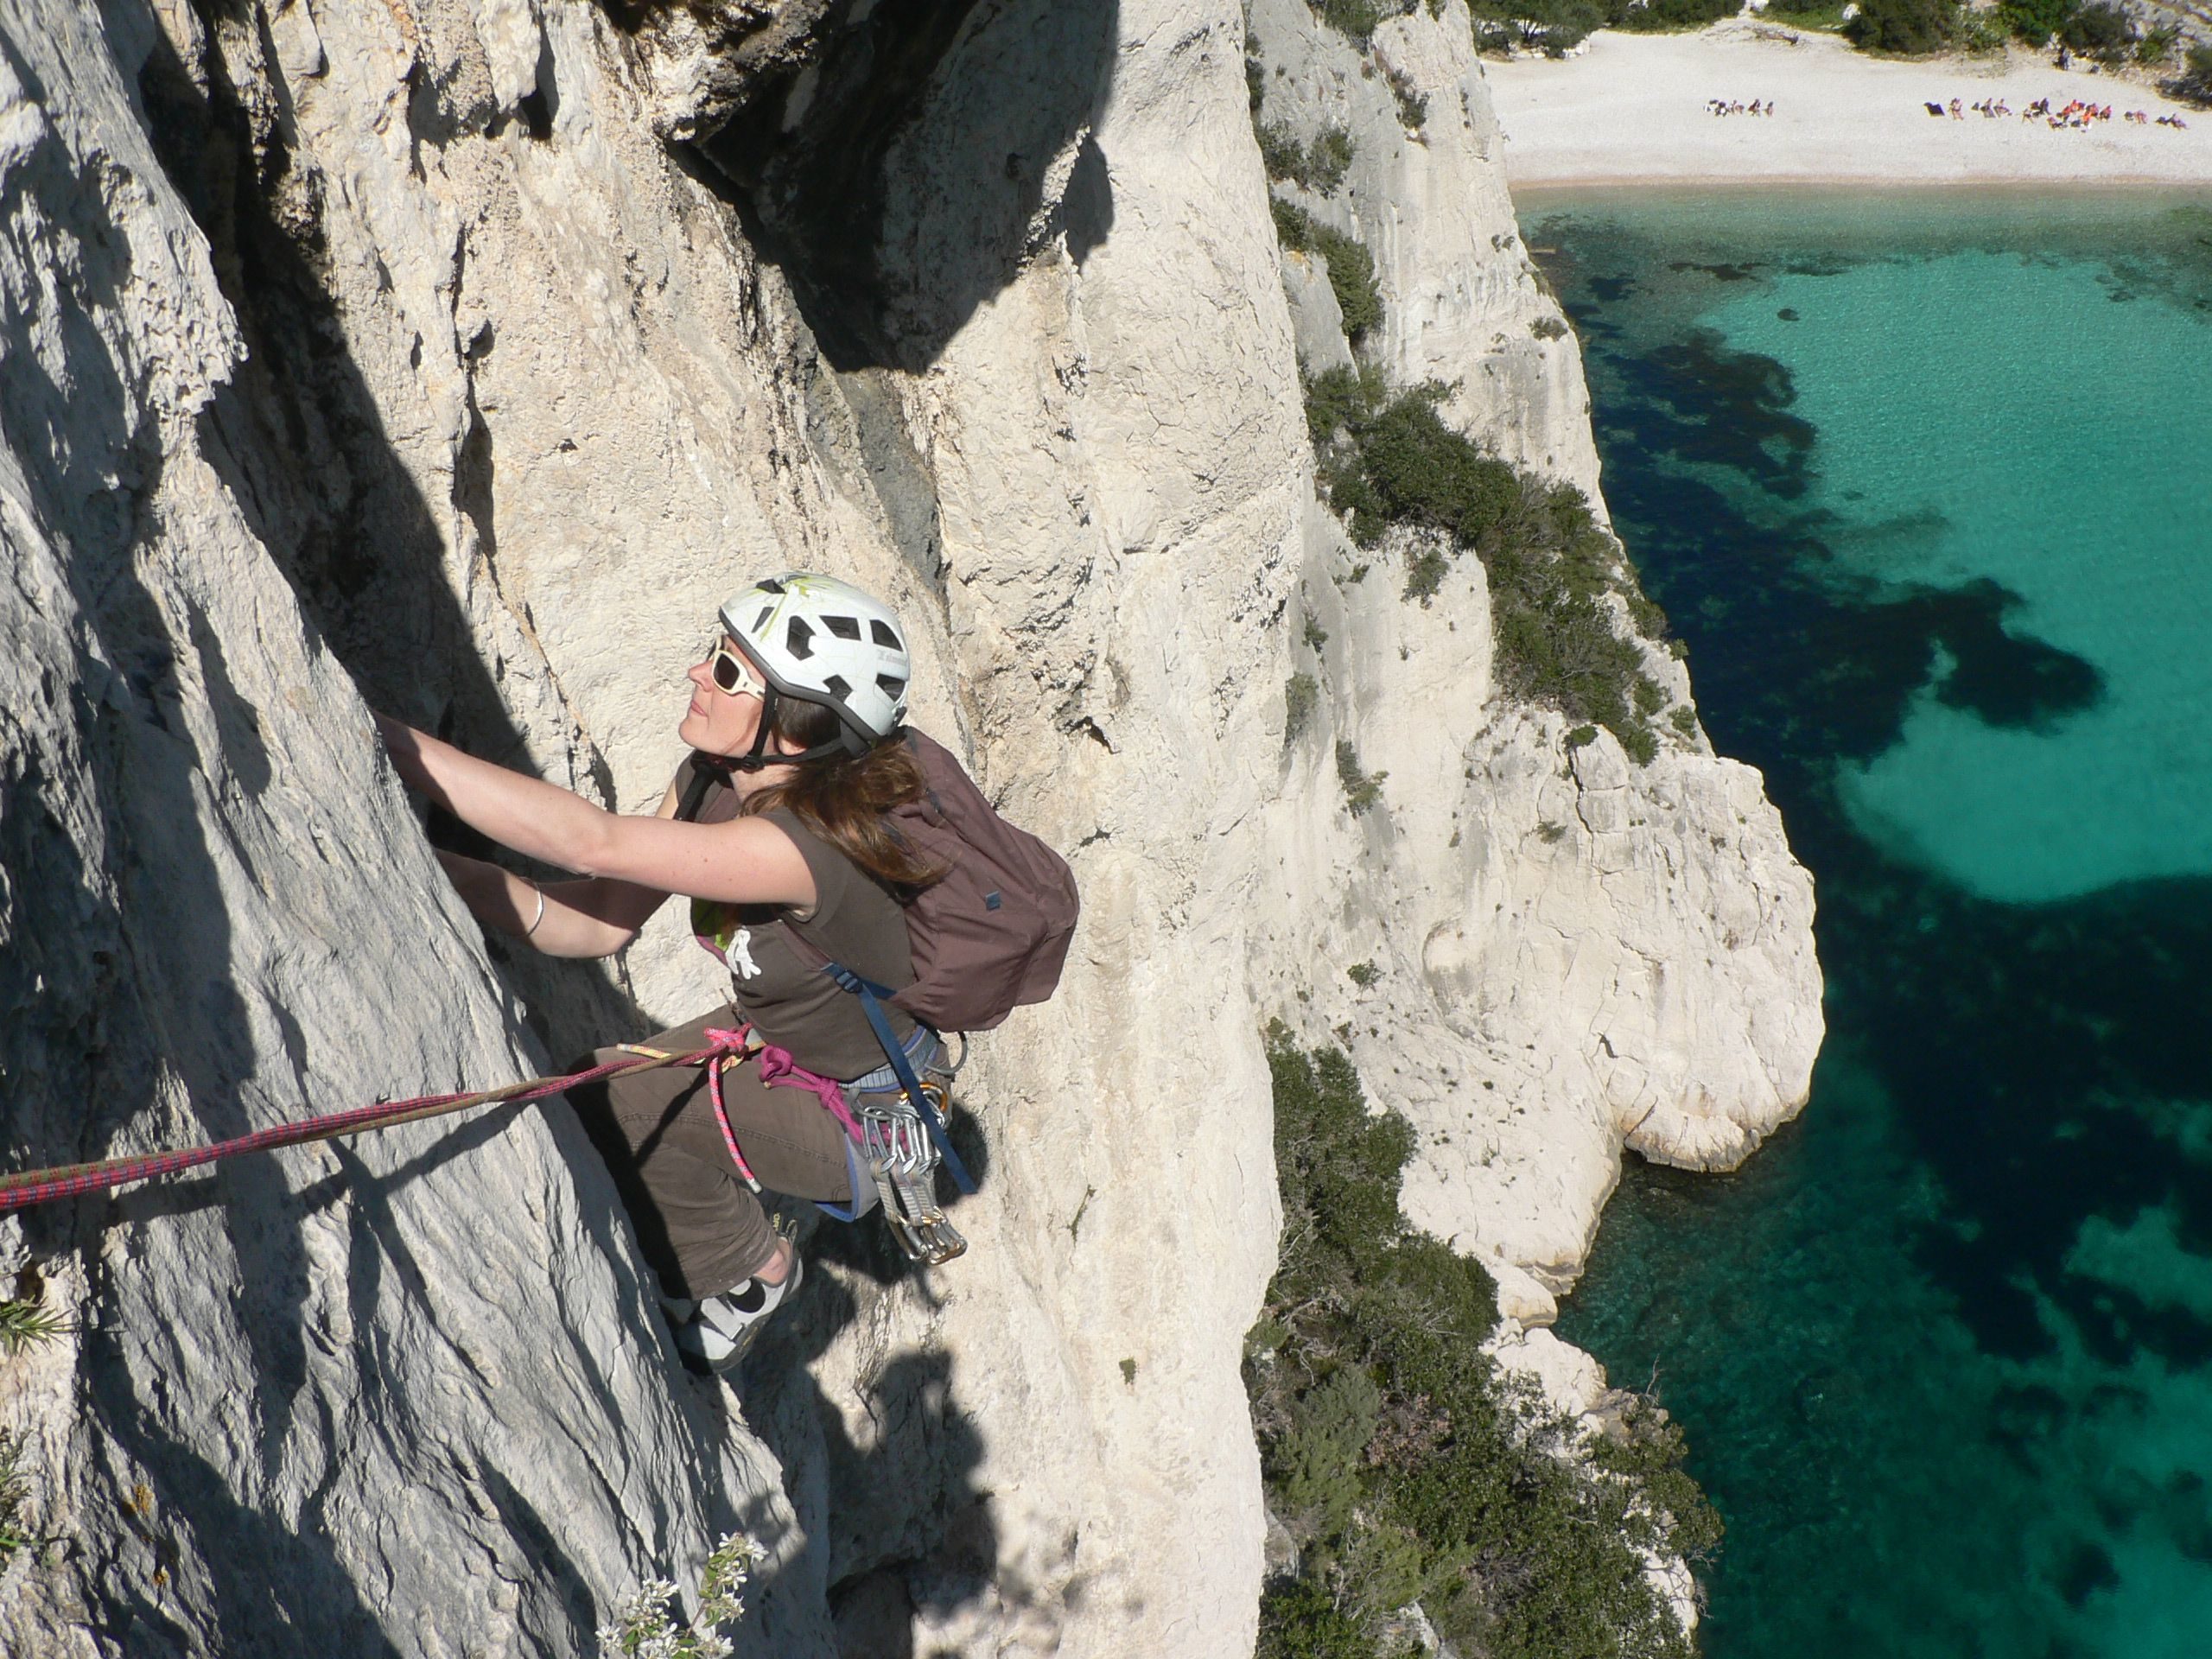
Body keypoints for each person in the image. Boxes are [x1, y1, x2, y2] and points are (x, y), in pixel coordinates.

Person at [374, 572, 940, 1371]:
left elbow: (591, 844)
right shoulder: (717, 783)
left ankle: (750, 1273)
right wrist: (426, 863)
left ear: (795, 728)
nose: (699, 673)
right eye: (716, 653)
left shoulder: (797, 847)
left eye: (732, 672)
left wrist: (390, 743)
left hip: (856, 1115)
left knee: (613, 1104)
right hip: (794, 1052)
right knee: (600, 1085)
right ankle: (733, 1253)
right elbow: (597, 919)